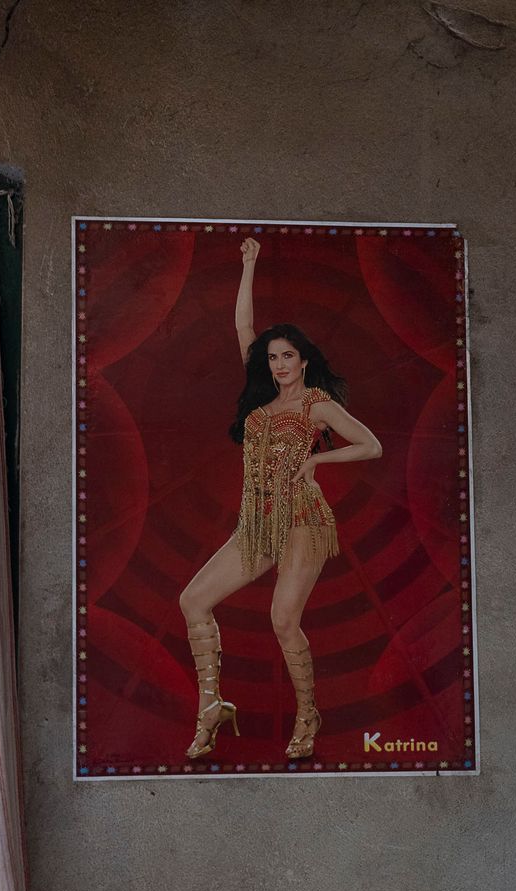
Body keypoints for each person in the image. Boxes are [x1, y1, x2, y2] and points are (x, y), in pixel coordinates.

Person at [179, 236, 382, 761]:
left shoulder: (316, 404)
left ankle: (308, 712)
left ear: (304, 360)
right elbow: (243, 328)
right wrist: (250, 265)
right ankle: (211, 707)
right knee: (193, 600)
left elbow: (371, 445)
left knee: (282, 619)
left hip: (302, 522)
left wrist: (316, 461)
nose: (278, 364)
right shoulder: (262, 400)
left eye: (287, 356)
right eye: (272, 357)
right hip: (256, 523)